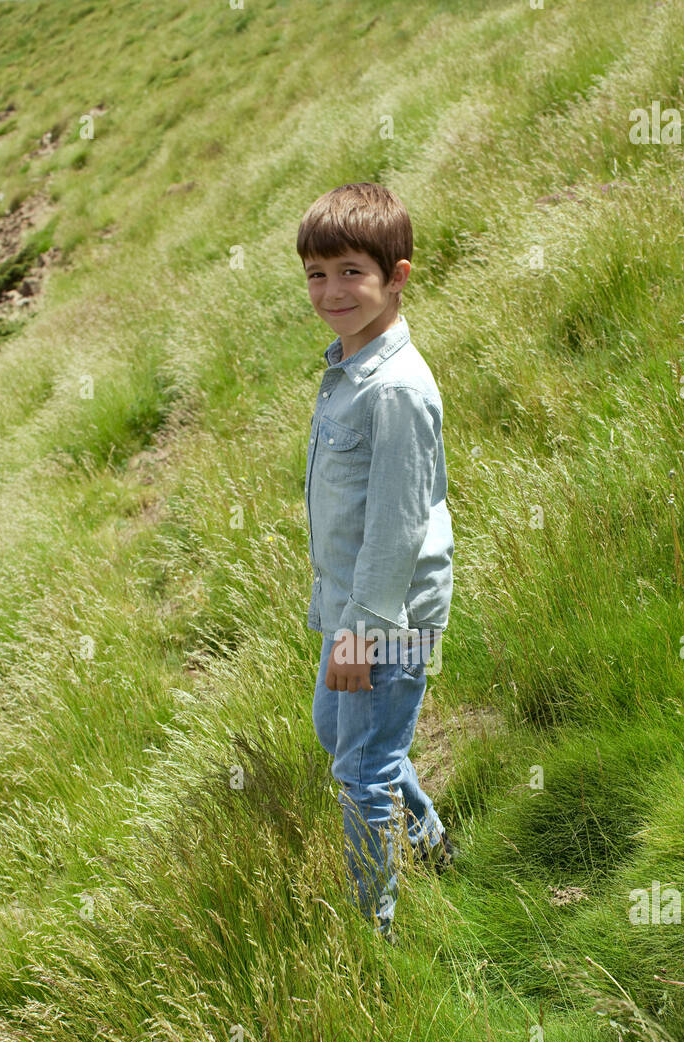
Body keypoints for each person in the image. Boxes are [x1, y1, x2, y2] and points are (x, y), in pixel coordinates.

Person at [297, 182, 456, 941]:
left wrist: (359, 634)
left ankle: (375, 932)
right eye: (317, 275)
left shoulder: (394, 389)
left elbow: (395, 530)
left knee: (359, 775)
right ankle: (431, 845)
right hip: (352, 607)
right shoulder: (348, 368)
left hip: (383, 618)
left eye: (351, 272)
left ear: (396, 276)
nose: (331, 292)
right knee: (345, 740)